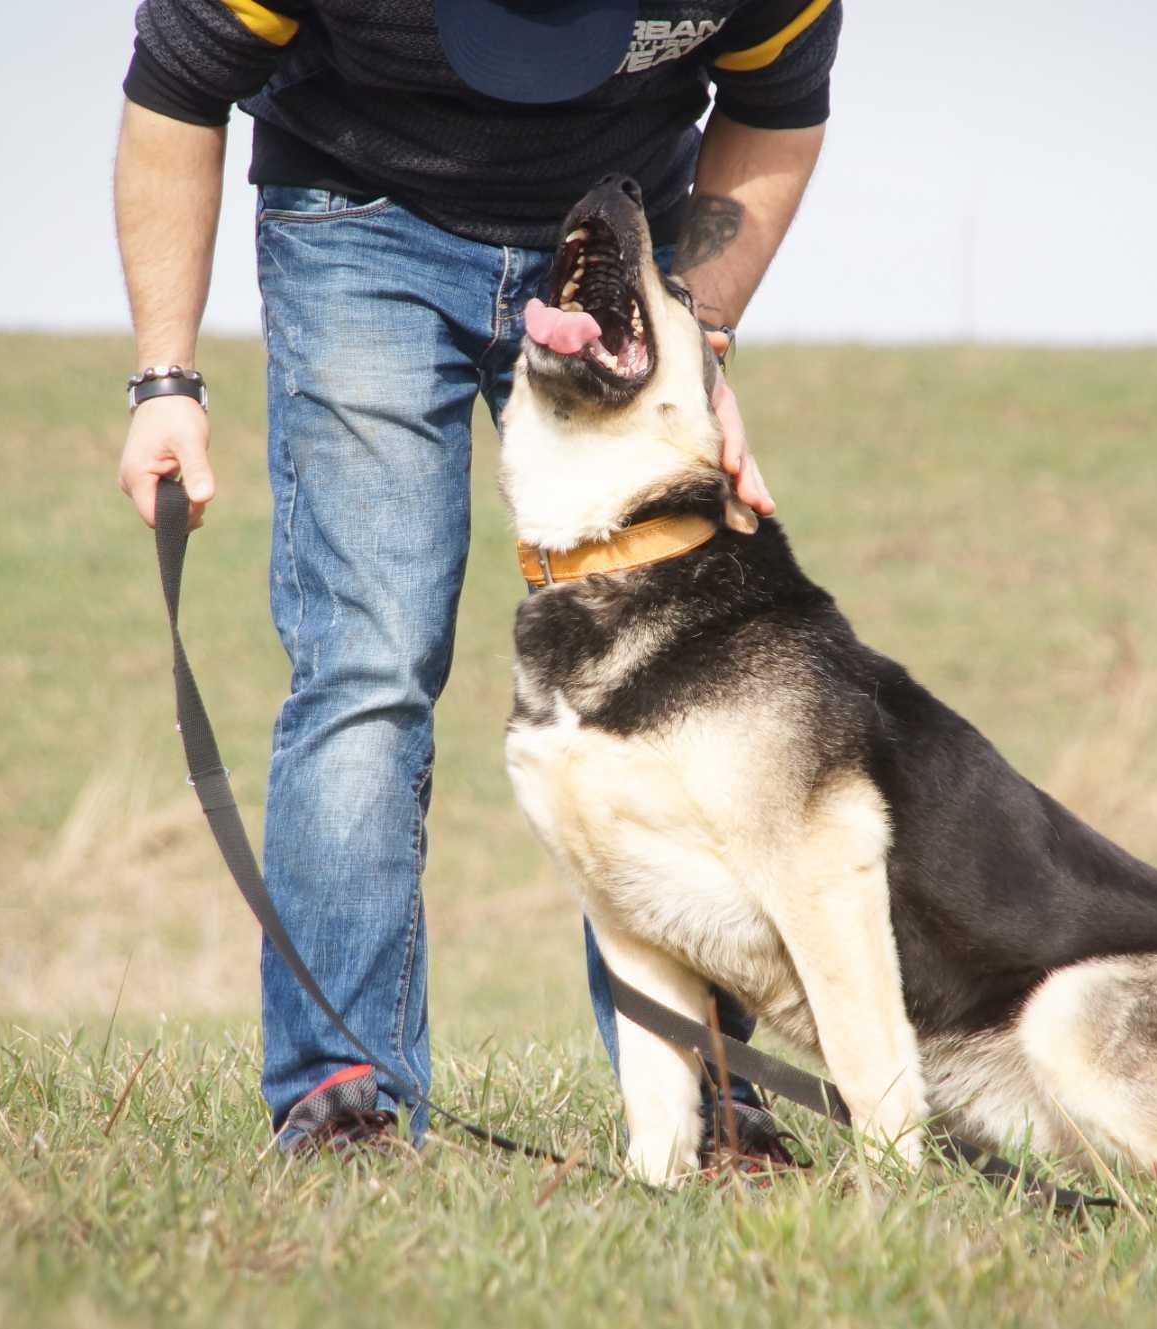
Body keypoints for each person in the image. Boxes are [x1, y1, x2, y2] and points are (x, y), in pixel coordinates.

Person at [113, 0, 840, 1156]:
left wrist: (694, 333)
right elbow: (171, 93)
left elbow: (775, 109)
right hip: (363, 220)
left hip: (615, 238)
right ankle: (341, 1100)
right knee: (370, 661)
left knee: (679, 670)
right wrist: (166, 383)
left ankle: (703, 1102)